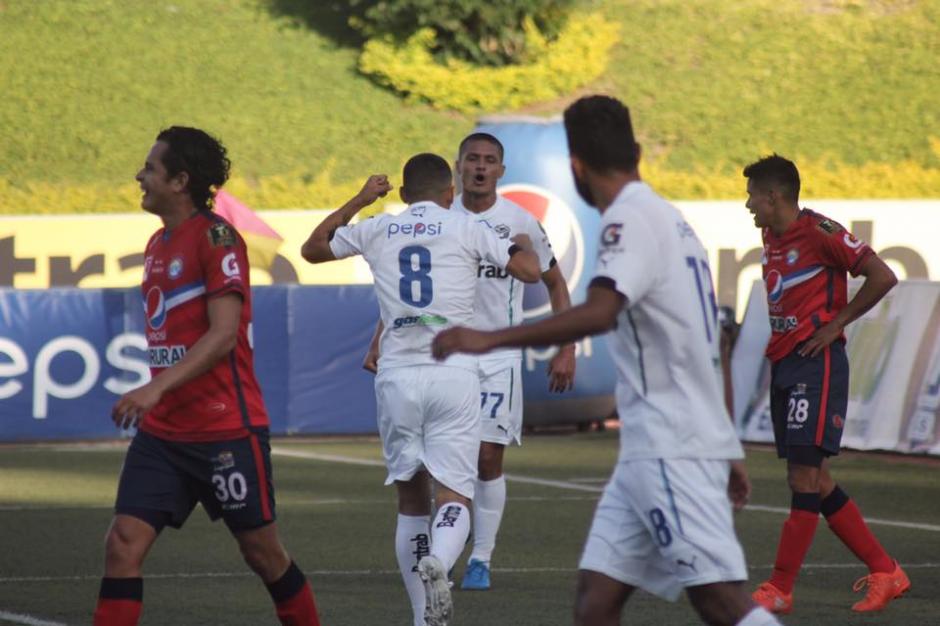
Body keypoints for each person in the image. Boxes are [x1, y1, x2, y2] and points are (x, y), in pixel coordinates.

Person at [432, 95, 780, 626]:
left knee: (719, 600)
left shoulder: (628, 221)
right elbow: (713, 344)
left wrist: (488, 339)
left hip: (671, 445)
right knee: (595, 602)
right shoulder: (674, 220)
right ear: (636, 151)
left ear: (575, 168)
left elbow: (599, 311)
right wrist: (728, 442)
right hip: (651, 451)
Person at [300, 155, 540, 626]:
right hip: (452, 373)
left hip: (397, 377)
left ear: (404, 195)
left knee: (411, 500)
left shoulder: (377, 227)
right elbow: (531, 272)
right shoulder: (467, 227)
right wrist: (522, 242)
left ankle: (422, 618)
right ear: (449, 193)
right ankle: (442, 561)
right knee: (456, 496)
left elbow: (312, 249)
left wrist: (360, 199)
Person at [95, 127, 320, 626]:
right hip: (164, 435)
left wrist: (154, 386)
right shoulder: (158, 241)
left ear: (180, 180)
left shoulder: (218, 238)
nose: (140, 175)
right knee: (123, 544)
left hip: (225, 431)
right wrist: (160, 396)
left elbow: (223, 336)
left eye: (150, 168)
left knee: (263, 554)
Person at [363, 132, 577, 592]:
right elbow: (408, 290)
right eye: (472, 159)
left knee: (485, 457)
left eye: (490, 161)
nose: (480, 167)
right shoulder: (437, 215)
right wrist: (379, 338)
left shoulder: (520, 222)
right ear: (457, 168)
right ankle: (443, 556)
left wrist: (567, 346)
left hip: (496, 355)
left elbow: (555, 284)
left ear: (501, 170)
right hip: (440, 355)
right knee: (431, 471)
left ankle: (480, 556)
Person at [742, 154, 908, 614]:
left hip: (817, 364)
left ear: (774, 196)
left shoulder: (821, 232)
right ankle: (885, 570)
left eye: (753, 194)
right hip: (786, 363)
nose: (748, 204)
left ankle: (780, 587)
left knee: (803, 476)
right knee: (816, 478)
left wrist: (838, 324)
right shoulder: (769, 234)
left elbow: (883, 275)